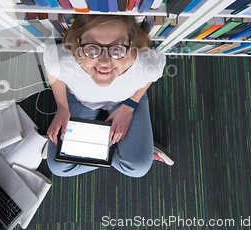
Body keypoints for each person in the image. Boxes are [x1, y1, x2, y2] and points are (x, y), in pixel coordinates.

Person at [43, 15, 173, 178]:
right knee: (58, 167)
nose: (104, 62)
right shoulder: (62, 60)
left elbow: (151, 77)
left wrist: (130, 105)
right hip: (80, 99)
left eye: (117, 48)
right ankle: (128, 150)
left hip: (127, 99)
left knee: (138, 168)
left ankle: (101, 151)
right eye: (92, 48)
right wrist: (62, 107)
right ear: (78, 43)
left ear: (130, 45)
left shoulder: (147, 64)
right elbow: (51, 70)